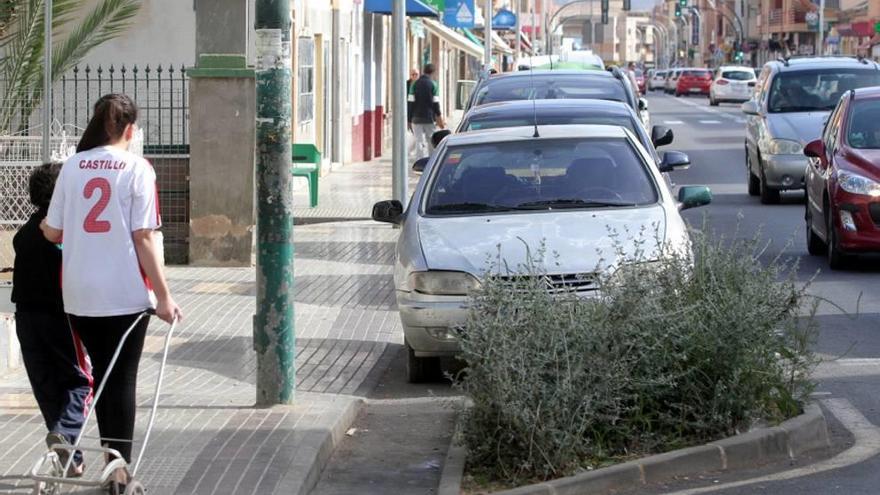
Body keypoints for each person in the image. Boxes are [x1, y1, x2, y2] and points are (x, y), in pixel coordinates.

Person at [41, 93, 182, 494]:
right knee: (120, 380)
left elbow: (53, 230)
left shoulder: (72, 167)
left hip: (79, 294)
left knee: (100, 375)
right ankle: (119, 472)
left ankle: (102, 460)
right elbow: (144, 236)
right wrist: (165, 296)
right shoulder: (138, 169)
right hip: (123, 294)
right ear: (129, 130)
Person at [11, 162, 92, 477]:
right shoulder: (63, 232)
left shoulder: (25, 232)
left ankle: (70, 458)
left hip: (26, 319)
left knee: (47, 388)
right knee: (80, 382)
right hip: (59, 317)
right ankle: (67, 435)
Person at [408, 64, 446, 160]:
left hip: (416, 118)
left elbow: (410, 103)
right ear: (432, 73)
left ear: (423, 71)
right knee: (431, 140)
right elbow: (435, 104)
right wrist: (439, 118)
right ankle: (431, 160)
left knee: (419, 141)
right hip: (429, 118)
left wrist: (409, 119)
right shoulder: (433, 84)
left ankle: (419, 161)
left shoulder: (414, 84)